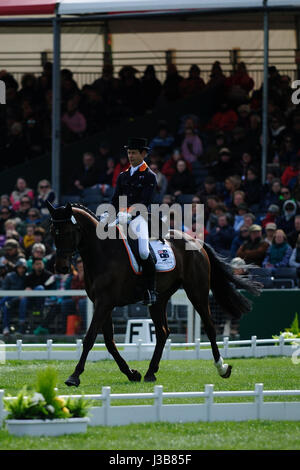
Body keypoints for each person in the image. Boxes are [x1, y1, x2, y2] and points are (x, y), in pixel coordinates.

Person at [100, 137, 158, 306]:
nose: (130, 156)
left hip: (139, 218)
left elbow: (145, 202)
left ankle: (150, 290)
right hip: (120, 217)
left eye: (133, 153)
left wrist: (131, 215)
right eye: (129, 153)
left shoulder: (149, 176)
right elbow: (115, 200)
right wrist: (108, 214)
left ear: (143, 154)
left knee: (143, 252)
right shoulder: (123, 176)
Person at [0, 258, 27, 335]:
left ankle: (21, 329)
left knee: (22, 300)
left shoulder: (27, 277)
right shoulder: (9, 276)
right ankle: (6, 328)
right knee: (6, 305)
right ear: (16, 267)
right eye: (19, 267)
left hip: (22, 300)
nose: (21, 269)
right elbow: (4, 290)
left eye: (23, 268)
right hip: (10, 298)